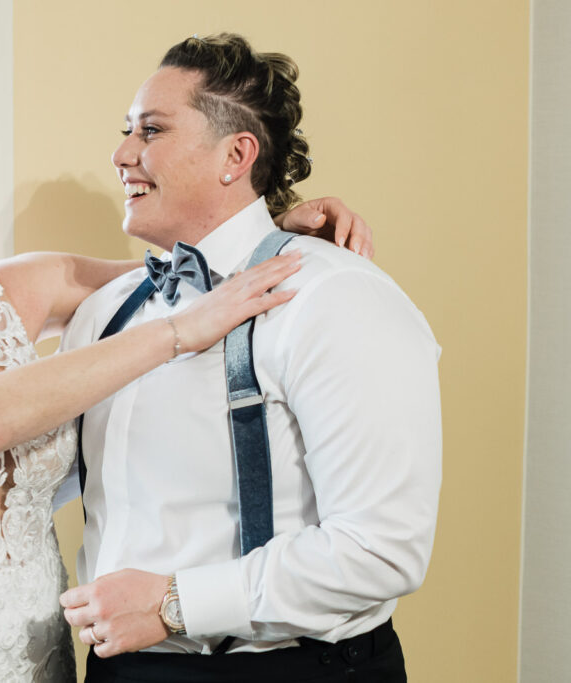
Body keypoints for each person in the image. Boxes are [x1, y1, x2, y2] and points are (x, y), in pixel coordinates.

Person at [0, 66, 370, 682]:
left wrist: (273, 231)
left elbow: (195, 272)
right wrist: (176, 335)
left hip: (38, 656)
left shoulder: (31, 284)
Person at [56, 34, 442, 683]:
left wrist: (177, 604)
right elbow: (35, 478)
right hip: (119, 670)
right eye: (126, 131)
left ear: (236, 153)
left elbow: (383, 549)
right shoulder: (104, 310)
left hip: (289, 669)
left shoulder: (335, 296)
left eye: (151, 130)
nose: (122, 154)